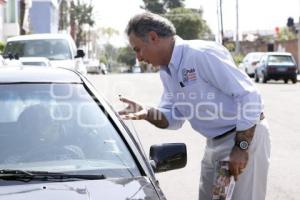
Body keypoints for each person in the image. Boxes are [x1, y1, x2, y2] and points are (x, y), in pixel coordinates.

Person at [119, 12, 271, 200]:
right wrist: (148, 113)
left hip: (244, 136)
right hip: (214, 143)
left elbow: (249, 95)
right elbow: (173, 117)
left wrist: (241, 147)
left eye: (138, 49)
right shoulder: (167, 72)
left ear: (153, 37)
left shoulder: (201, 54)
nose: (138, 57)